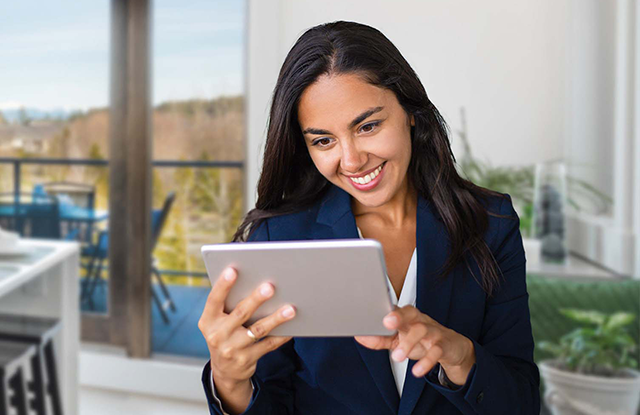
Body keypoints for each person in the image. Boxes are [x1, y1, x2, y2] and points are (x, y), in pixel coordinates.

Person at [198, 21, 540, 415]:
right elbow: (274, 400)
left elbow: (522, 402)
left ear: (411, 112)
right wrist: (229, 380)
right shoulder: (278, 235)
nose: (352, 160)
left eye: (368, 125)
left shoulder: (490, 224)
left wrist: (461, 358)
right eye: (323, 140)